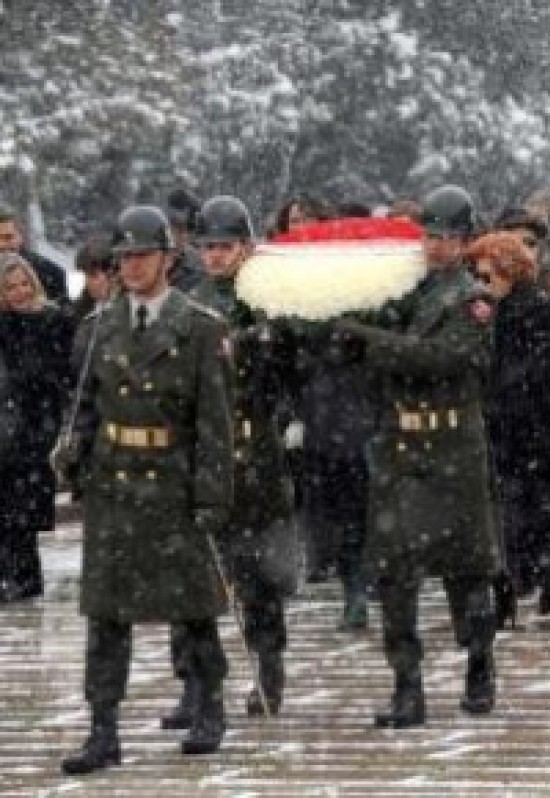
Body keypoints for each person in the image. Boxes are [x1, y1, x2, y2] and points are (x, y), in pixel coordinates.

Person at [58, 205, 235, 773]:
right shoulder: (98, 327)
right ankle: (102, 727)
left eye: (142, 255)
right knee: (106, 615)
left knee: (193, 607)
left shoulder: (201, 327)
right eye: (124, 257)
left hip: (173, 482)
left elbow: (214, 423)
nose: (131, 267)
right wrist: (71, 455)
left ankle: (208, 705)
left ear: (166, 258)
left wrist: (213, 496)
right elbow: (84, 407)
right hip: (115, 484)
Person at [330, 185, 501, 725]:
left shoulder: (474, 300)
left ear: (467, 242)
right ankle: (407, 684)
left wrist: (369, 340)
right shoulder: (403, 293)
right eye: (432, 236)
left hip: (453, 447)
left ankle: (479, 662)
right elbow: (367, 353)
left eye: (450, 237)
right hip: (404, 448)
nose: (439, 246)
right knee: (395, 572)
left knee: (466, 570)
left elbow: (443, 359)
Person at [162, 196, 298, 724]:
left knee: (256, 573)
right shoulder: (190, 299)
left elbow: (285, 363)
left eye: (225, 246)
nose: (216, 256)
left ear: (245, 247)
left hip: (252, 447)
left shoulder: (266, 298)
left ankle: (268, 669)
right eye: (209, 247)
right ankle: (195, 683)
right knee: (193, 573)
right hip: (203, 451)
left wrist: (252, 345)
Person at [468, 232, 550, 614]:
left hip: (539, 425)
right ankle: (511, 582)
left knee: (542, 508)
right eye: (479, 276)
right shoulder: (481, 312)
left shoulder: (546, 311)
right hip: (499, 425)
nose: (483, 284)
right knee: (506, 512)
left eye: (489, 275)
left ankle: (547, 576)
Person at [0, 254, 74, 601]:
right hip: (8, 421)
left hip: (38, 423)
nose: (19, 292)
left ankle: (25, 581)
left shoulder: (55, 320)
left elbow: (64, 372)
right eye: (10, 286)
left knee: (23, 513)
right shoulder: (4, 324)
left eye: (24, 283)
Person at [0, 203, 69, 303]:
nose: (1, 245)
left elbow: (64, 315)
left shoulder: (49, 273)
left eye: (8, 237)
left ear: (20, 236)